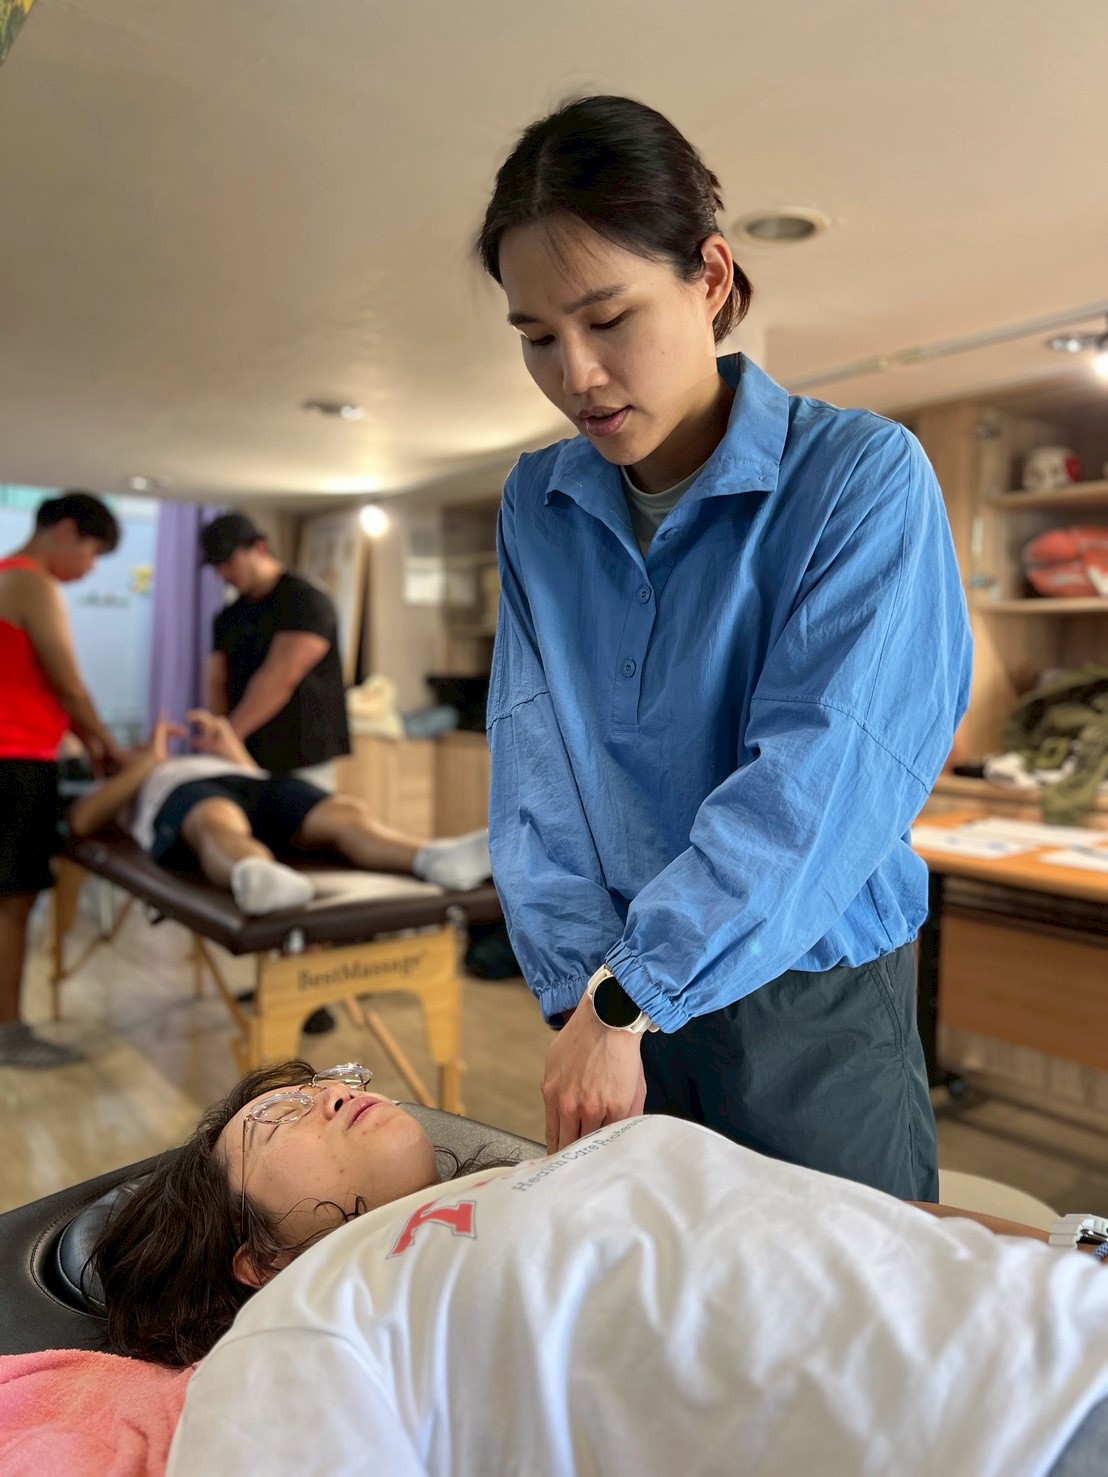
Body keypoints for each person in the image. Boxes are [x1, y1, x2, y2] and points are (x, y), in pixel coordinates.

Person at [476, 95, 974, 1190]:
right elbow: (532, 761)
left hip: (807, 1000)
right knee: (649, 1282)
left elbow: (825, 778)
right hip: (611, 990)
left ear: (709, 276)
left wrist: (630, 991)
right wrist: (587, 991)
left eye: (608, 319)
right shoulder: (536, 503)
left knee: (835, 1288)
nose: (576, 375)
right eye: (537, 337)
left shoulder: (858, 477)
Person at [86, 1062, 1108, 1476]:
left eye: (327, 1078)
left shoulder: (549, 1169)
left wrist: (1076, 1240)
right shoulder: (312, 1309)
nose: (327, 1090)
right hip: (994, 1440)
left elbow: (852, 1213)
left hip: (1067, 1310)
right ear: (255, 1255)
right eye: (278, 1114)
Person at [67, 711, 492, 913]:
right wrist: (146, 761)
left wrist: (228, 746)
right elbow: (80, 821)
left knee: (343, 812)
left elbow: (253, 783)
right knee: (217, 820)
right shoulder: (129, 784)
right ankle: (255, 875)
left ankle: (434, 858)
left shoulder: (194, 759)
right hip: (185, 794)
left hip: (254, 782)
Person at [0, 491, 124, 1068]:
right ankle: (8, 1033)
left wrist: (86, 739)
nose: (91, 568)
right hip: (16, 762)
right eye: (93, 552)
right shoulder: (31, 581)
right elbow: (68, 685)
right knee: (13, 903)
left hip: (17, 756)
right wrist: (109, 748)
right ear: (67, 531)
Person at [200, 512, 350, 787]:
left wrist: (229, 736)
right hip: (248, 754)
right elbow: (216, 682)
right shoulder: (228, 618)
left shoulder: (305, 601)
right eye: (217, 567)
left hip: (302, 757)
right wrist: (219, 738)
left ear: (260, 548)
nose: (223, 574)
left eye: (230, 562)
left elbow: (281, 676)